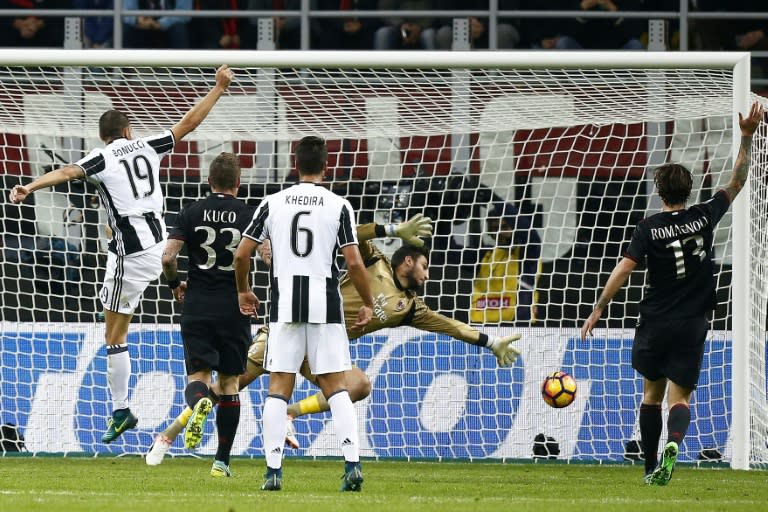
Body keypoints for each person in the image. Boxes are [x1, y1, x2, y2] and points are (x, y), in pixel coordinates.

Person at [145, 215, 522, 464]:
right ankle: (167, 436)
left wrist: (490, 343)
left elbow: (450, 325)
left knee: (358, 385)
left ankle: (290, 414)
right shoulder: (374, 261)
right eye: (424, 265)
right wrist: (393, 229)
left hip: (324, 349)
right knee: (231, 386)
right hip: (293, 327)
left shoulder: (410, 307)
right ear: (407, 261)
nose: (427, 274)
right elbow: (352, 236)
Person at [8, 64, 234, 444]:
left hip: (130, 254)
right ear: (128, 130)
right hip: (161, 242)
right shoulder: (147, 144)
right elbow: (188, 124)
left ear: (103, 136)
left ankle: (121, 409)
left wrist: (29, 186)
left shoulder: (102, 157)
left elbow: (66, 172)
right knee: (156, 285)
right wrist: (218, 88)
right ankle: (201, 347)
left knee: (114, 334)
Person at [580, 101, 764, 486]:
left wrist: (599, 308)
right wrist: (746, 136)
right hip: (692, 323)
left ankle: (649, 467)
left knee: (651, 396)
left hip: (655, 322)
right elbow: (736, 181)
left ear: (660, 192)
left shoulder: (648, 228)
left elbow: (623, 270)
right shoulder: (704, 215)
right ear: (689, 189)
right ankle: (674, 443)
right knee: (679, 400)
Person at [234, 136, 375, 492]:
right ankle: (352, 465)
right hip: (325, 306)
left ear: (296, 166)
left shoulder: (272, 203)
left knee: (278, 389)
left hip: (284, 307)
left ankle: (273, 472)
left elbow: (241, 254)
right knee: (336, 388)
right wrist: (369, 302)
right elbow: (354, 262)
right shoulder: (339, 205)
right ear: (326, 167)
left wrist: (243, 290)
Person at [160, 152, 254, 478]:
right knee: (229, 384)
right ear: (238, 184)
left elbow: (168, 257)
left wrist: (175, 285)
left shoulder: (191, 212)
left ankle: (199, 401)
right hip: (234, 308)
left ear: (209, 182)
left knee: (198, 379)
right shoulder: (248, 215)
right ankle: (221, 463)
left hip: (197, 306)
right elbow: (268, 256)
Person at [467, 202, 542, 324]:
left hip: (519, 325)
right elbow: (448, 251)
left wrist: (496, 200)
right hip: (481, 326)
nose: (499, 232)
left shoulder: (528, 253)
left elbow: (528, 233)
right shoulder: (484, 254)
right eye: (495, 228)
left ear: (515, 228)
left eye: (505, 227)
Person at [435, 0, 522, 50]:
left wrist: (483, 24)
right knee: (444, 33)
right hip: (460, 26)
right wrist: (466, 22)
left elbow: (510, 13)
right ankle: (456, 80)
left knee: (504, 31)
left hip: (493, 26)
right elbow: (443, 14)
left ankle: (500, 80)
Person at [122, 0, 192, 49]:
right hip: (141, 26)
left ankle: (180, 69)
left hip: (169, 27)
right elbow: (126, 12)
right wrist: (138, 20)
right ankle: (124, 69)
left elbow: (184, 14)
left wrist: (160, 23)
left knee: (179, 29)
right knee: (125, 28)